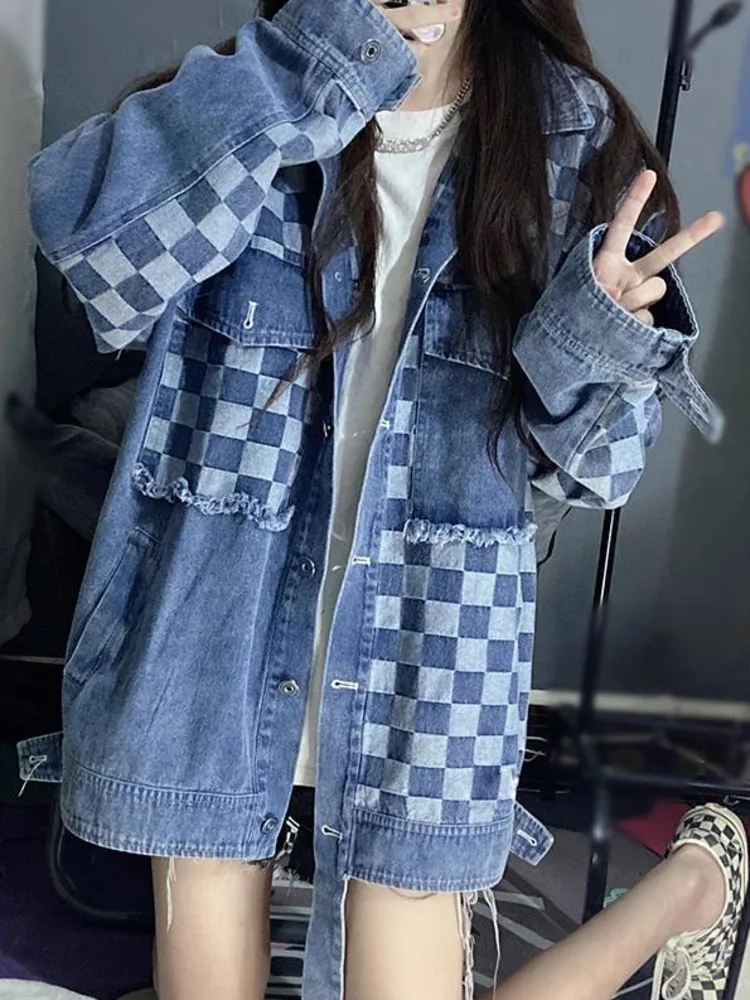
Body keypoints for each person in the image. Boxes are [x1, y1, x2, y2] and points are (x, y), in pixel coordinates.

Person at [18, 0, 730, 998]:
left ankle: (690, 887)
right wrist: (311, 62)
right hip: (213, 627)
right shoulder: (256, 88)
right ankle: (692, 889)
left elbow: (597, 470)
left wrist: (590, 344)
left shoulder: (572, 139)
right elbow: (86, 241)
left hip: (431, 648)